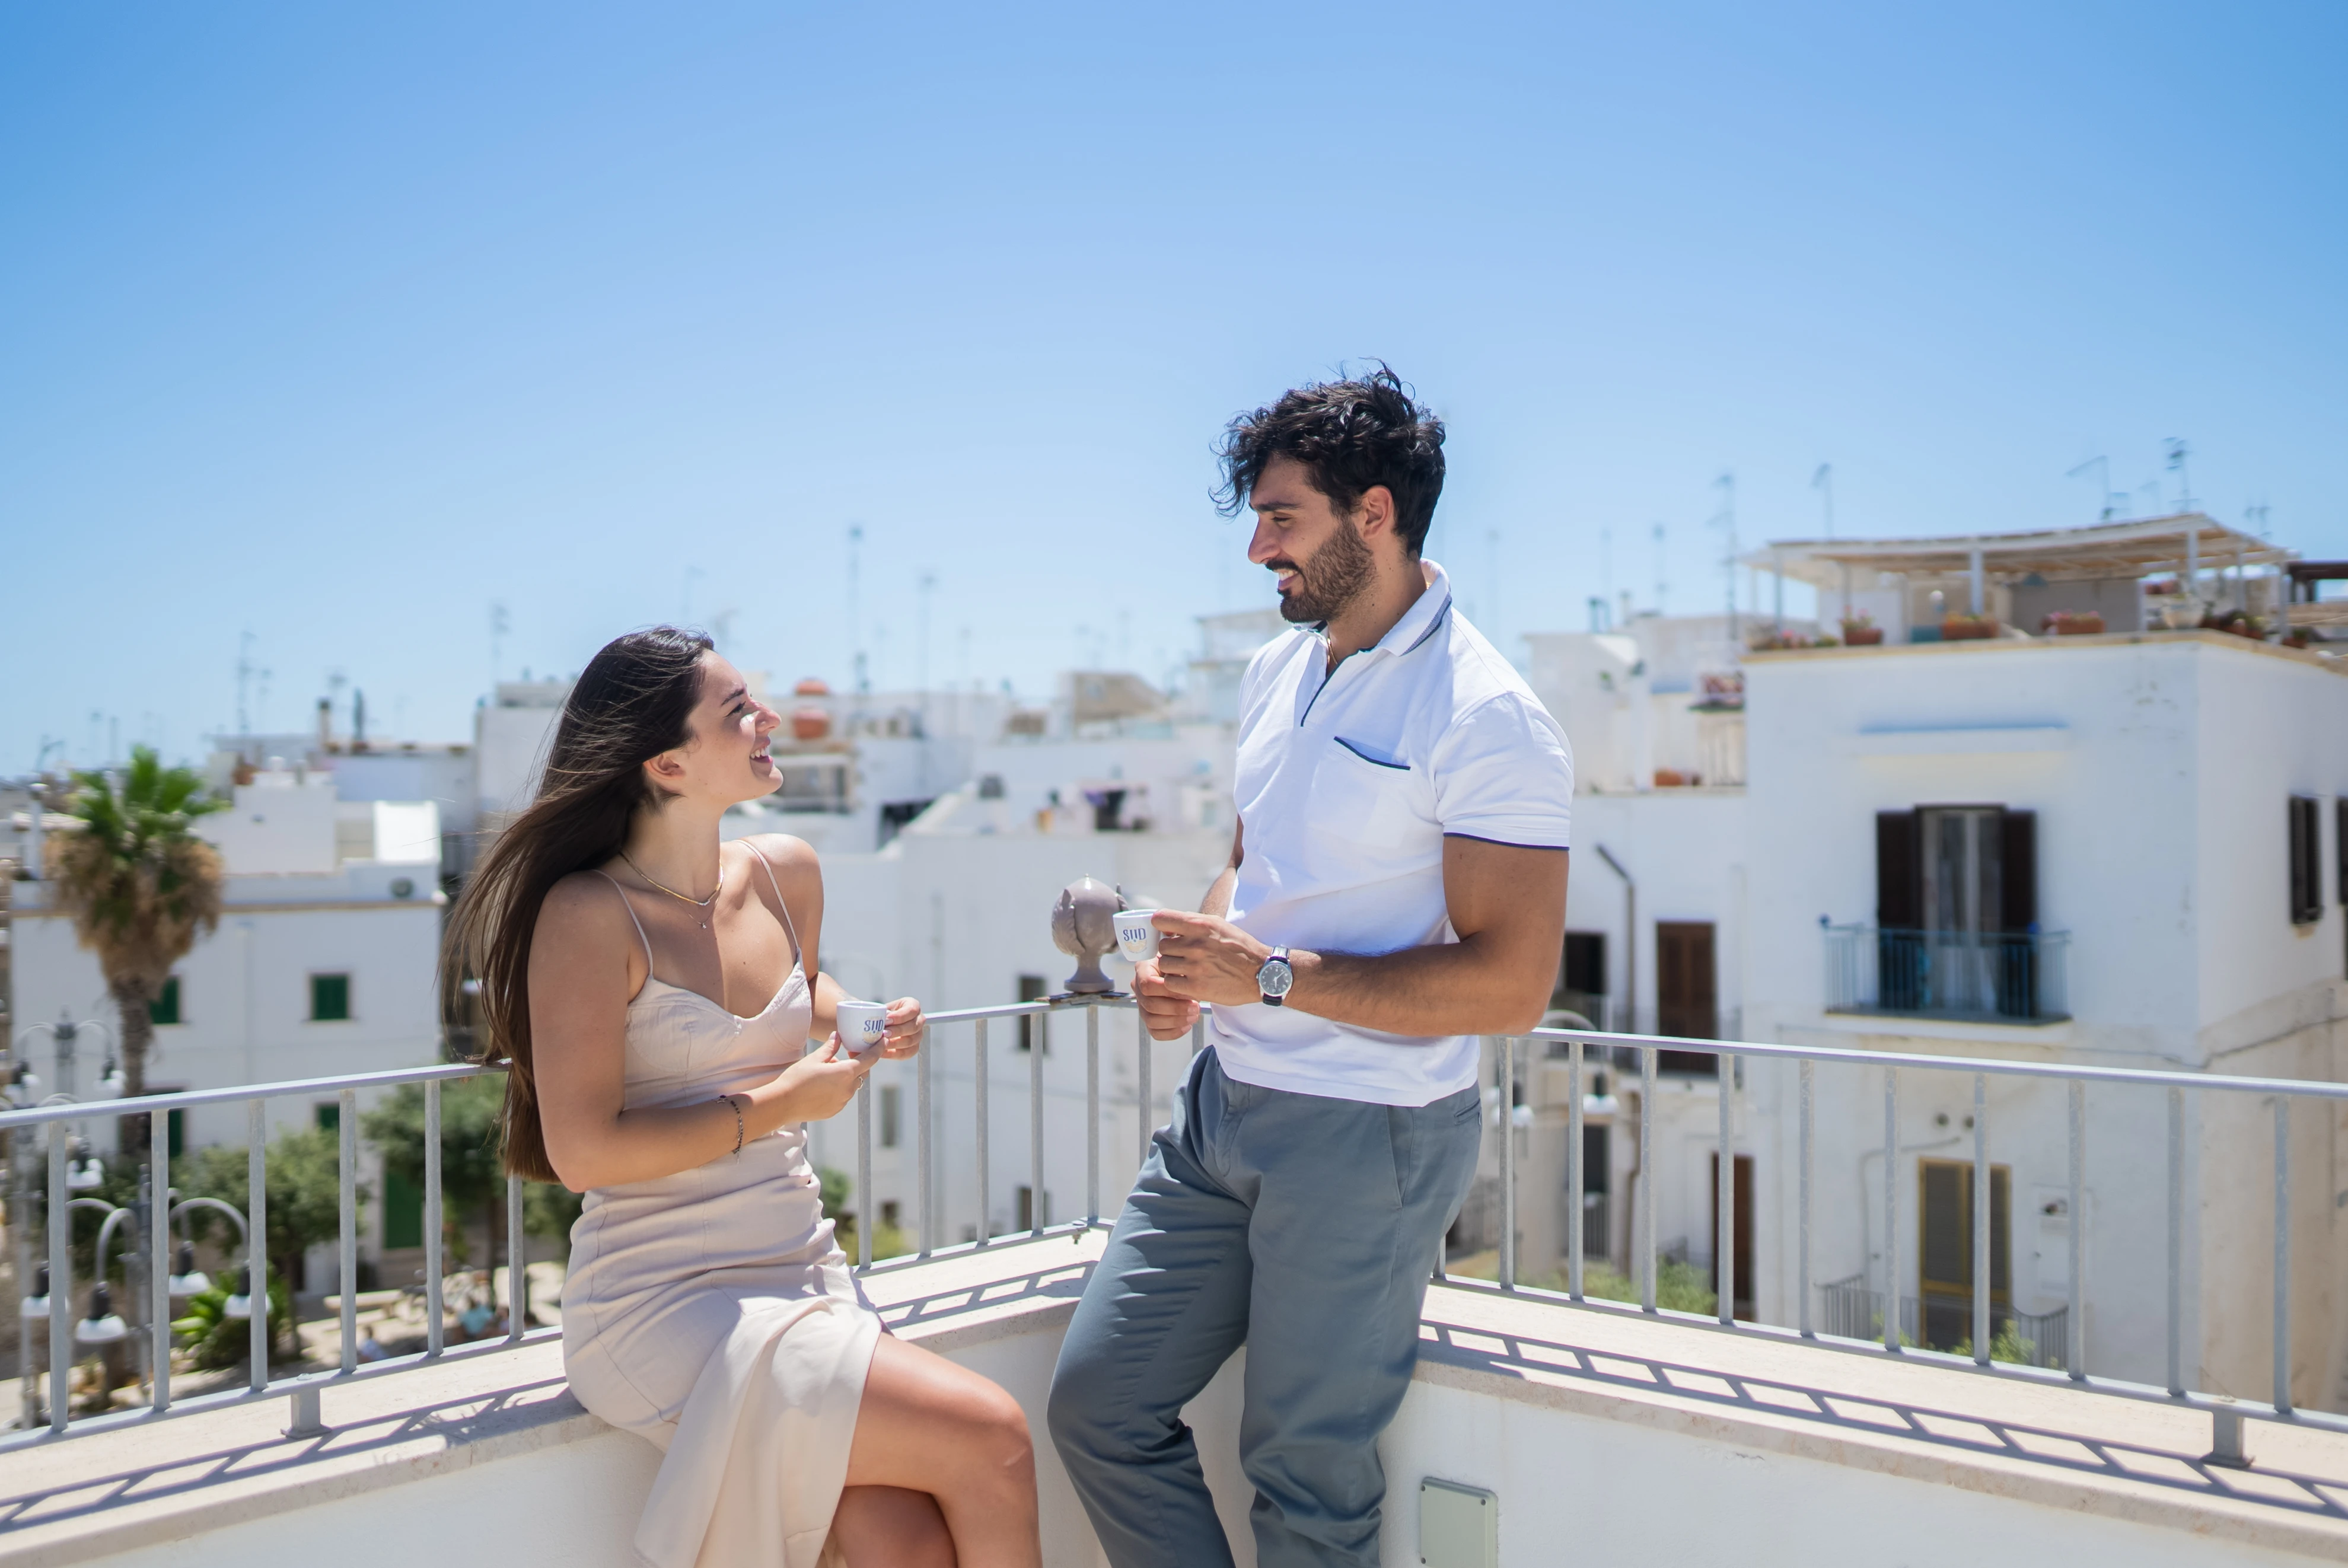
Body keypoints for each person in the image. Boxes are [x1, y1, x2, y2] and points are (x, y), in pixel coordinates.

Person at [1047, 368, 1573, 1567]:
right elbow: (1253, 864)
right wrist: (1197, 959)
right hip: (1220, 1113)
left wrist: (1267, 973)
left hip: (1368, 1136)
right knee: (1098, 1406)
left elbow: (1507, 987)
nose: (1254, 548)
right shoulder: (1273, 670)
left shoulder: (1486, 714)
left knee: (1307, 1482)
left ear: (1372, 514)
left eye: (1280, 517)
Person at [448, 627, 1040, 1568]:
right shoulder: (586, 915)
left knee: (907, 1545)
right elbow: (583, 1153)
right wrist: (781, 1104)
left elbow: (802, 998)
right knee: (995, 1436)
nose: (769, 720)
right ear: (669, 764)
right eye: (739, 713)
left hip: (800, 1267)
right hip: (660, 1302)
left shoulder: (783, 871)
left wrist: (870, 1018)